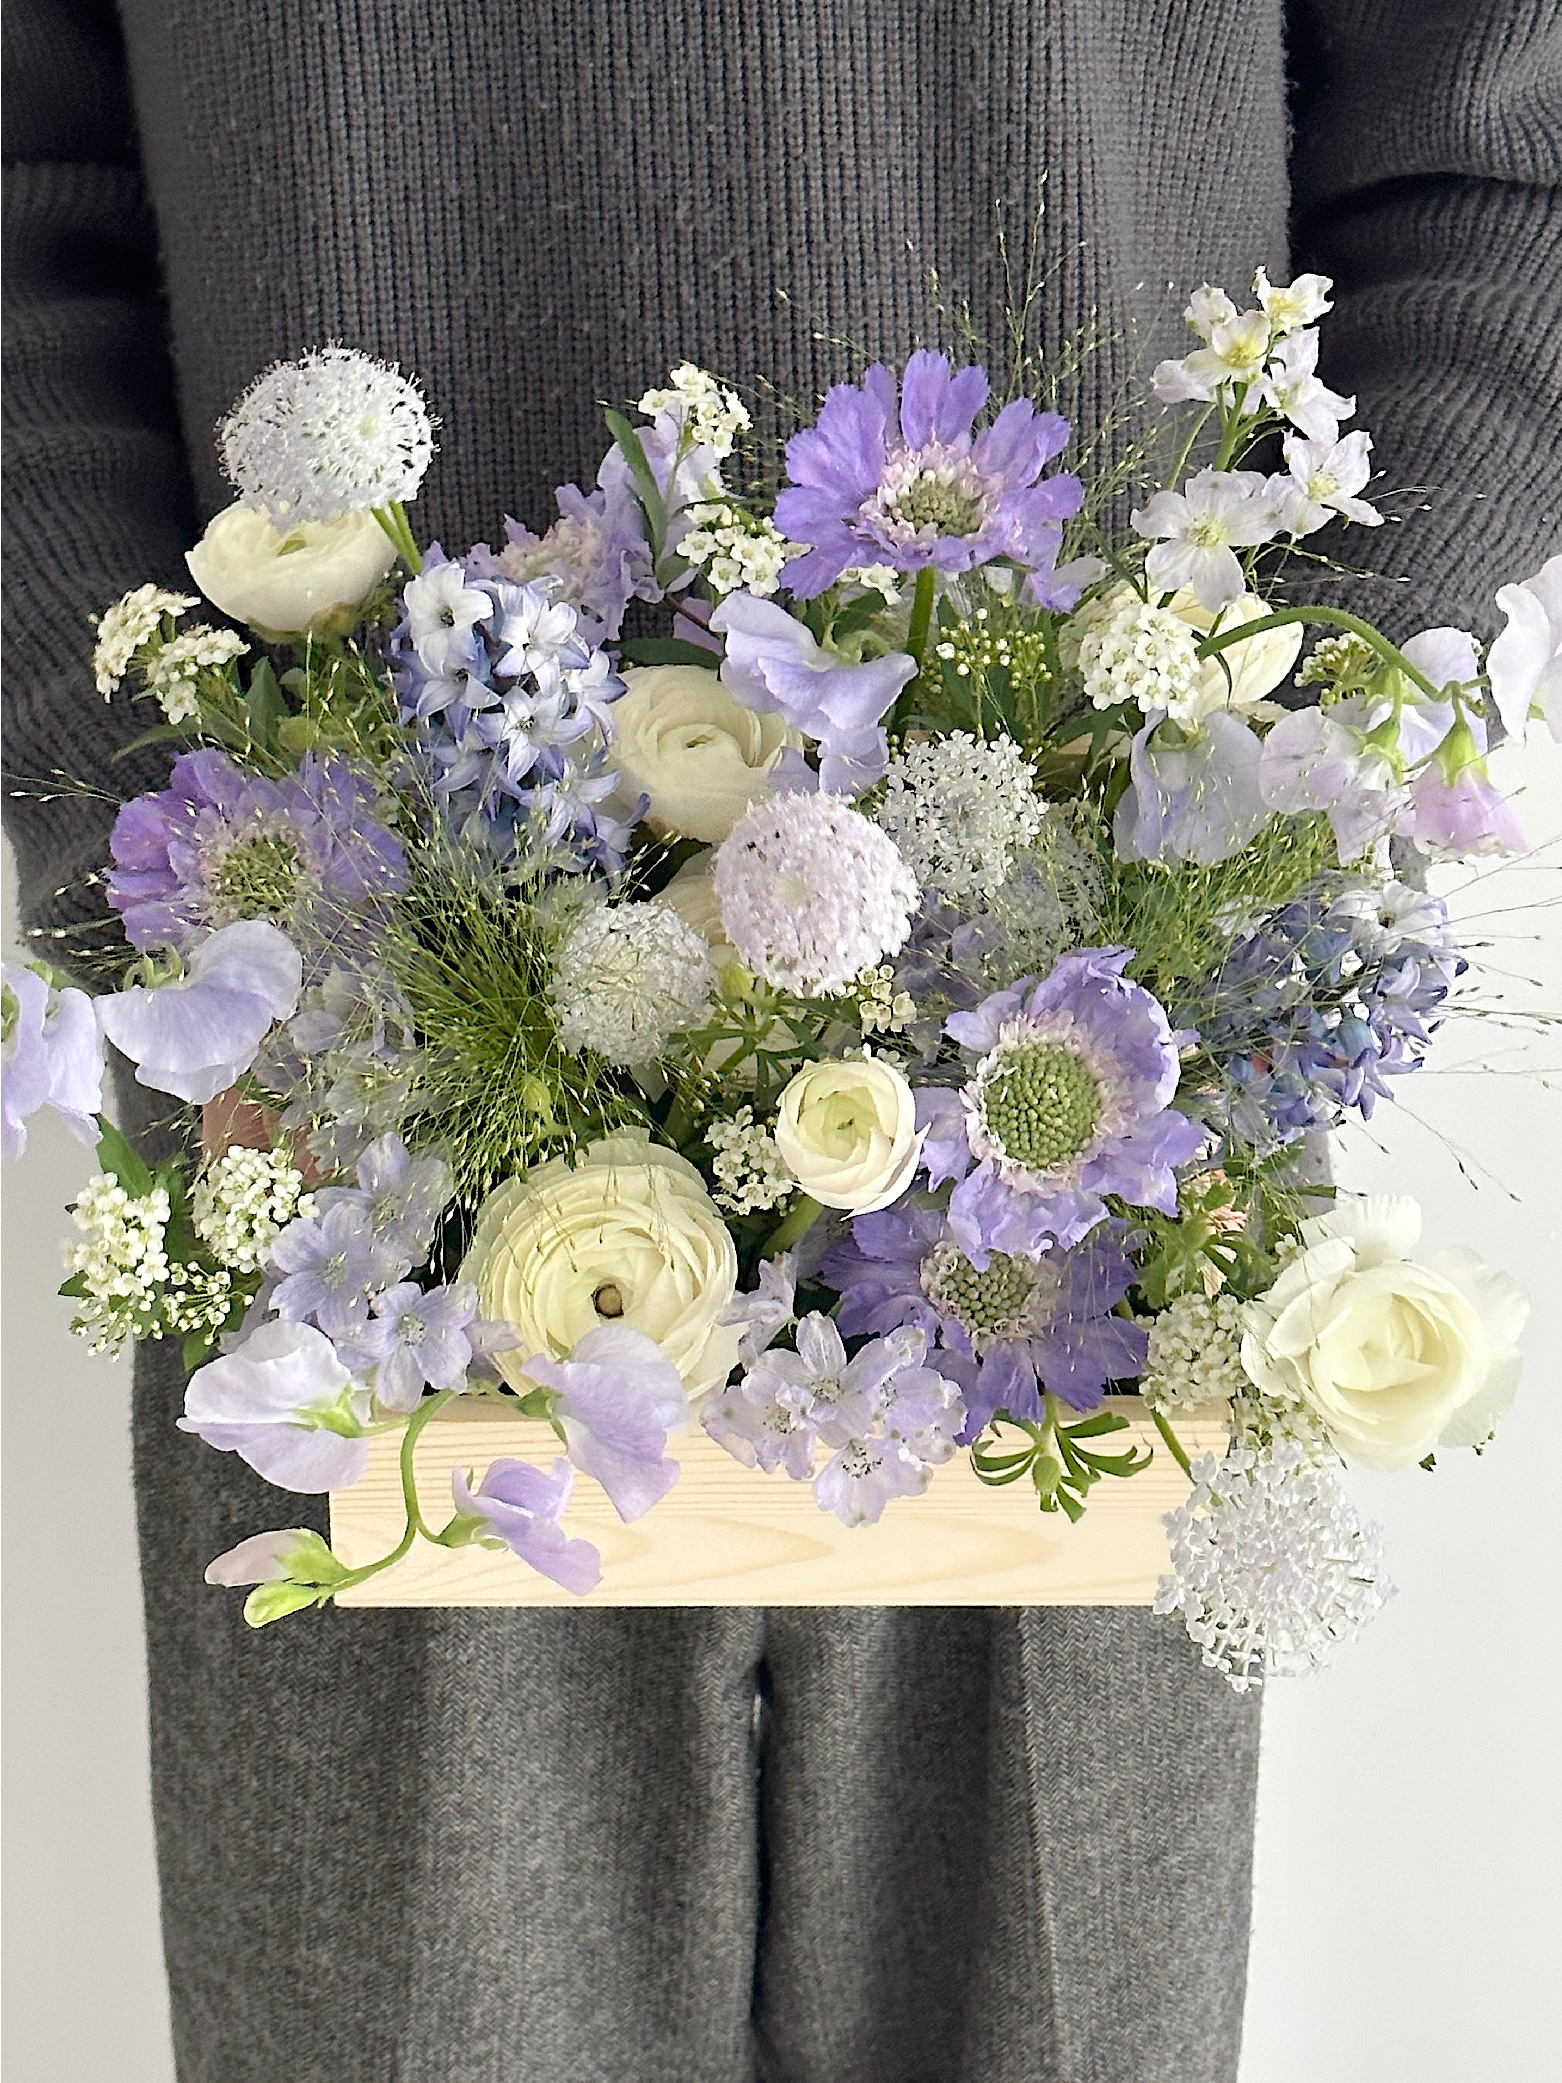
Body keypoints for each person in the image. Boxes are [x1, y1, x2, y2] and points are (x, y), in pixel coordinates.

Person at [4, 3, 1558, 2077]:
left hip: (1095, 1109)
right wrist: (180, 841)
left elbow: (1496, 149)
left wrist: (1270, 762)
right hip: (362, 1097)